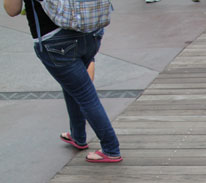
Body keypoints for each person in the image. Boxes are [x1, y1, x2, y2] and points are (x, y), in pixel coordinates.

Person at [3, 0, 122, 163]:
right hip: (91, 32)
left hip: (56, 43)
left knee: (84, 95)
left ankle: (110, 148)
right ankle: (78, 135)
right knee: (73, 86)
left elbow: (12, 10)